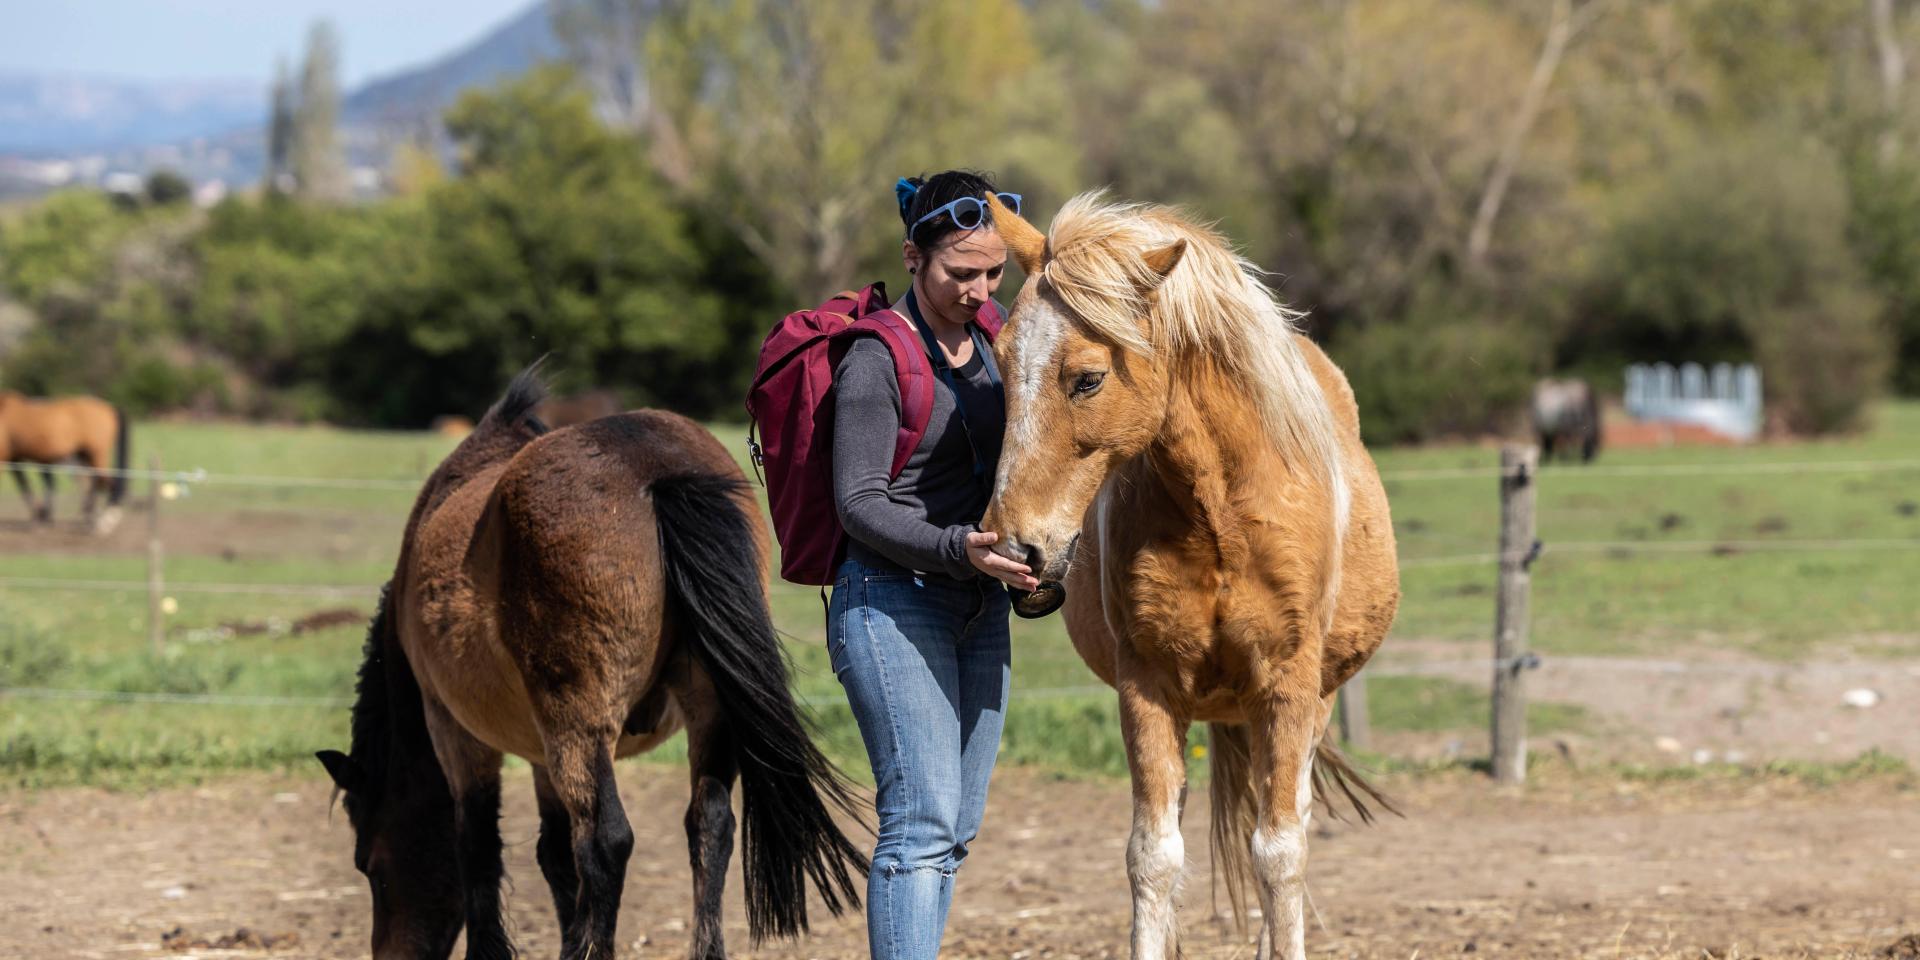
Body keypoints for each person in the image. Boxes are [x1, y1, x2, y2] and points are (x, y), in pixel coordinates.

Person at [828, 169, 1039, 959]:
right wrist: (960, 547)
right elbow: (858, 502)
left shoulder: (997, 339)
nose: (979, 289)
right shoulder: (875, 360)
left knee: (955, 829)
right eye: (960, 273)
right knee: (918, 825)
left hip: (978, 606)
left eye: (993, 272)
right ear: (913, 257)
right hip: (889, 599)